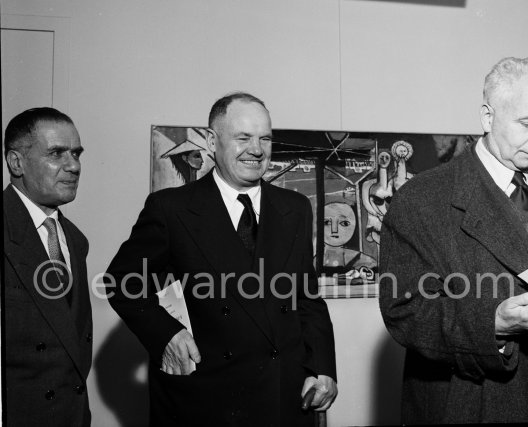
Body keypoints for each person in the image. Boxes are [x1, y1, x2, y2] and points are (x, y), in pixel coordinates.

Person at [106, 92, 337, 426]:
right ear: (212, 142)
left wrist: (322, 370)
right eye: (243, 138)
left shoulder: (295, 208)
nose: (256, 150)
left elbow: (308, 299)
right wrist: (167, 335)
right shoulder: (171, 209)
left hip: (285, 398)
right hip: (208, 401)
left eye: (265, 138)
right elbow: (122, 283)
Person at [379, 56, 528, 424]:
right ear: (487, 118)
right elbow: (404, 311)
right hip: (474, 404)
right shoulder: (421, 199)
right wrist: (492, 323)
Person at [3, 107, 92, 427]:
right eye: (57, 153)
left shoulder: (75, 240)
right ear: (16, 162)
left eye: (76, 153)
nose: (73, 166)